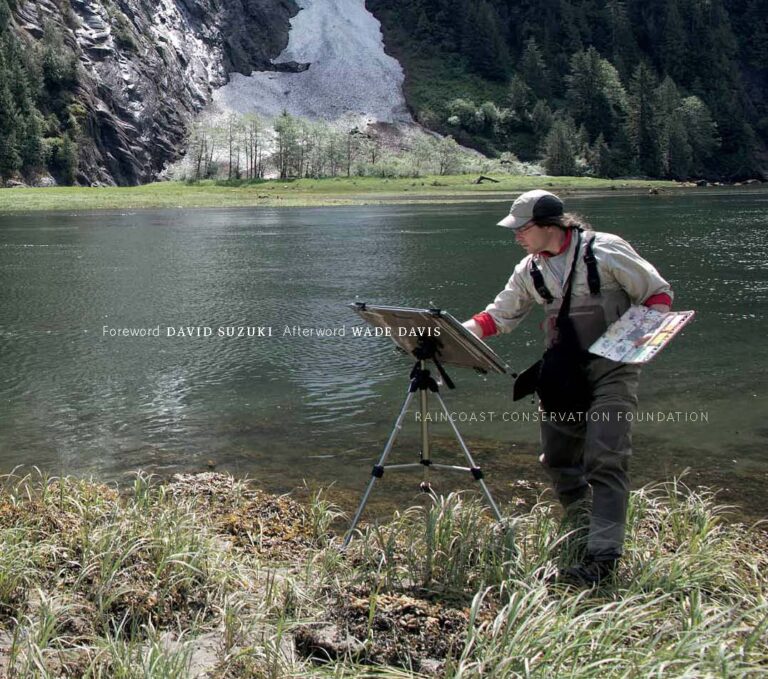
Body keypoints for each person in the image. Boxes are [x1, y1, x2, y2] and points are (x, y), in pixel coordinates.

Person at [463, 189, 672, 586]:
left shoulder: (607, 250)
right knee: (558, 458)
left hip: (614, 369)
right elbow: (496, 318)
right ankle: (580, 523)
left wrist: (642, 336)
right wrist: (455, 334)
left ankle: (602, 559)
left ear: (549, 225)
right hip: (561, 374)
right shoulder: (529, 270)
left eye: (522, 229)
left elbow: (658, 294)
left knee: (605, 457)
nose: (517, 236)